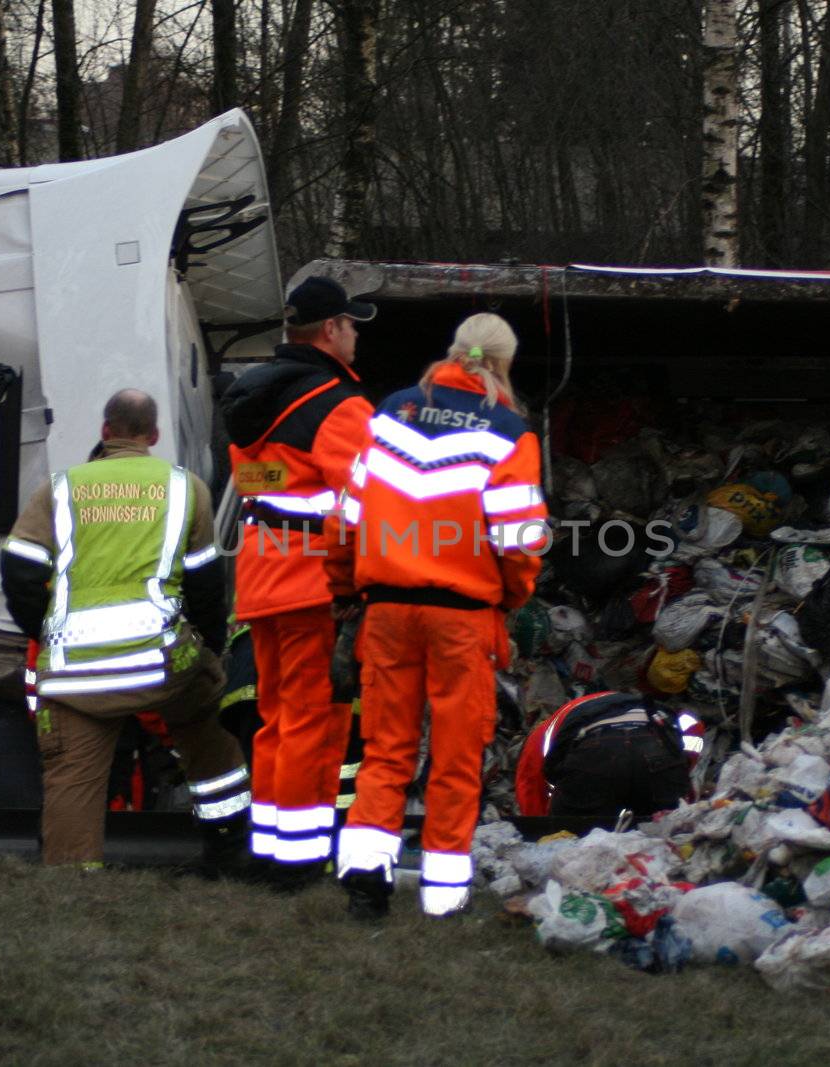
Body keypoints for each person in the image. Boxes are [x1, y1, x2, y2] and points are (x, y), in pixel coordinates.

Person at [328, 312, 549, 919]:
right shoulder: (509, 431)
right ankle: (443, 896)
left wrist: (345, 586)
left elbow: (345, 518)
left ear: (453, 351)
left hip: (387, 609)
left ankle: (366, 877)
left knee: (385, 749)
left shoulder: (389, 413)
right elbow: (520, 537)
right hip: (464, 615)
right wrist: (511, 596)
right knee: (456, 755)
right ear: (503, 362)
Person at [0, 388, 248, 870]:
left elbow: (19, 571)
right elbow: (205, 586)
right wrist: (209, 650)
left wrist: (44, 629)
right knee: (205, 728)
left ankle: (72, 878)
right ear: (153, 436)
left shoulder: (60, 488)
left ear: (104, 431)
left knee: (73, 778)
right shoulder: (185, 487)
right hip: (161, 662)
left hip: (77, 672)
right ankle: (229, 841)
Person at [220, 276, 374, 888]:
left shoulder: (251, 398)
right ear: (332, 330)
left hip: (260, 572)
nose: (357, 335)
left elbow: (264, 487)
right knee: (313, 719)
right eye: (352, 324)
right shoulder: (340, 405)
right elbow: (364, 503)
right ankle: (298, 859)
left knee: (276, 717)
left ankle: (271, 847)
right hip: (314, 580)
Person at [514, 691, 705, 818]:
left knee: (568, 840)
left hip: (597, 751)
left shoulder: (537, 738)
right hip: (658, 744)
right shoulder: (624, 702)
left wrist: (541, 833)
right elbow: (693, 727)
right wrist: (682, 773)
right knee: (664, 837)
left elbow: (530, 789)